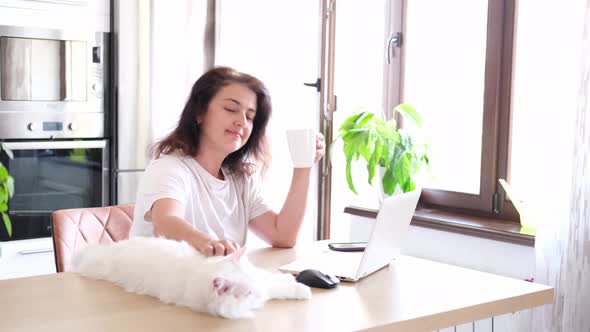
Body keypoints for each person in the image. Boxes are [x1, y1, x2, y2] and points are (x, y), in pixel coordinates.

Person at [129, 66, 325, 257]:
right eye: (231, 109)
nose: (242, 121)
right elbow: (165, 222)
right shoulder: (169, 168)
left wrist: (304, 165)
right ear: (200, 113)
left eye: (250, 116)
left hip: (211, 284)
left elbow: (283, 236)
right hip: (160, 286)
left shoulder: (240, 180)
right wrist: (208, 244)